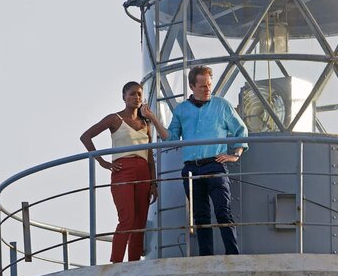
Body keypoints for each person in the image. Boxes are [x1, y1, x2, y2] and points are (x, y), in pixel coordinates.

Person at [148, 65, 248, 256]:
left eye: (209, 84)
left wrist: (236, 154)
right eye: (202, 85)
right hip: (191, 169)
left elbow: (241, 131)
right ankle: (206, 256)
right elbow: (171, 138)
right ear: (192, 86)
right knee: (200, 216)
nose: (207, 89)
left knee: (222, 211)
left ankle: (233, 254)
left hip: (215, 164)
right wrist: (153, 118)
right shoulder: (182, 110)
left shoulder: (222, 105)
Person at [79, 81, 165, 263]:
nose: (136, 98)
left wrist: (153, 182)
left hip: (143, 172)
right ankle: (116, 262)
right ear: (124, 97)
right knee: (127, 218)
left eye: (140, 94)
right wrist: (102, 161)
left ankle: (133, 263)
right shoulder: (114, 119)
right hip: (123, 170)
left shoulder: (145, 124)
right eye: (132, 94)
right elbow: (86, 136)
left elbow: (150, 156)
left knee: (140, 221)